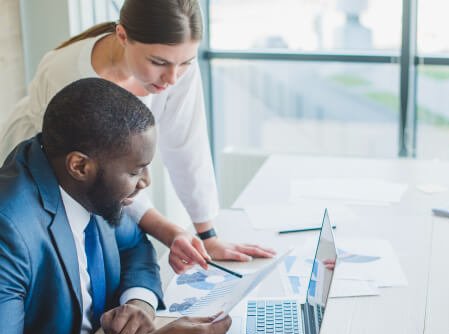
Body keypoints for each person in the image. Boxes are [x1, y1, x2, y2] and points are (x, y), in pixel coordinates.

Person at [0, 78, 232, 334]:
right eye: (136, 171)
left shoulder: (87, 182)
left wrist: (138, 301)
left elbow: (134, 246)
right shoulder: (10, 227)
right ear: (80, 166)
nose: (146, 182)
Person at [0, 0, 275, 274]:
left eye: (185, 63)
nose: (172, 78)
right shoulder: (68, 77)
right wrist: (169, 232)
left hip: (107, 176)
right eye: (158, 62)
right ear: (122, 36)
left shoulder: (174, 69)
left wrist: (208, 236)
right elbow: (107, 178)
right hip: (49, 174)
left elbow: (187, 146)